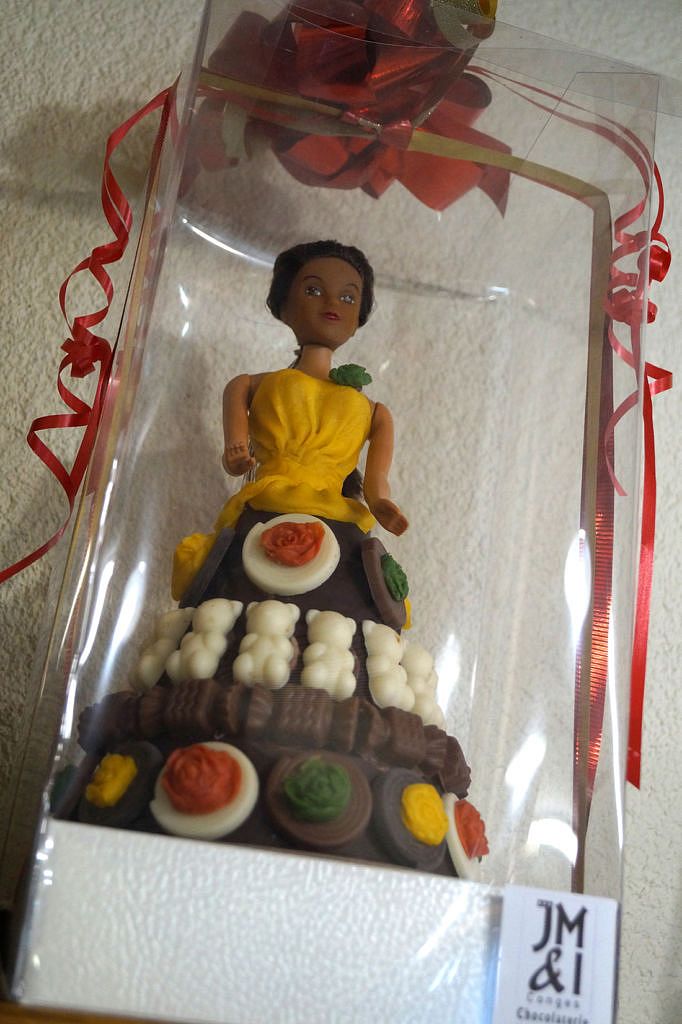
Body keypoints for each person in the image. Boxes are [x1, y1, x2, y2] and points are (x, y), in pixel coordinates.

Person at [172, 239, 408, 600]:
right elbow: (234, 453)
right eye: (313, 290)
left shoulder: (375, 411)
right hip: (267, 502)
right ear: (283, 304)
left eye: (348, 297)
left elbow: (376, 483)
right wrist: (236, 455)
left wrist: (381, 505)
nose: (332, 304)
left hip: (338, 518)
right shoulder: (248, 385)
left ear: (358, 318)